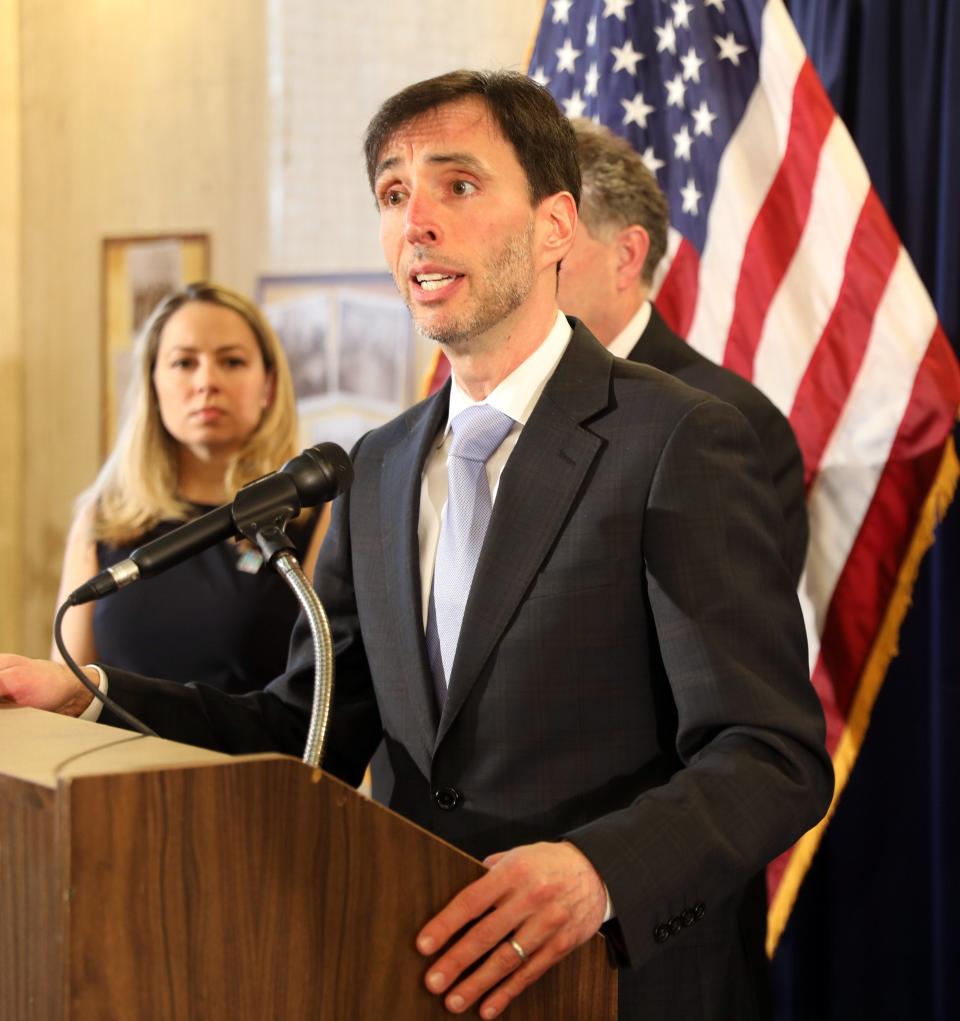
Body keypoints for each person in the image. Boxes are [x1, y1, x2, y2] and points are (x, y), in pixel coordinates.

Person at [1, 71, 832, 1020]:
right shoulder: (376, 466)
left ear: (556, 225)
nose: (416, 222)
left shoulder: (678, 438)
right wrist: (91, 696)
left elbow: (770, 753)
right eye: (394, 194)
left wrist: (596, 871)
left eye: (458, 185)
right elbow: (302, 729)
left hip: (614, 985)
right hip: (409, 970)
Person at [558, 118, 808, 584]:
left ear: (627, 256)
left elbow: (734, 640)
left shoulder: (728, 422)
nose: (523, 264)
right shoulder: (498, 399)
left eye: (553, 236)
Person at [52, 282, 327, 693]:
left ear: (268, 385)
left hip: (253, 758)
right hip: (112, 757)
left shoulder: (314, 515)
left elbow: (332, 693)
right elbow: (67, 690)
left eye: (231, 362)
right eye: (184, 363)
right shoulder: (104, 516)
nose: (206, 382)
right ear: (153, 385)